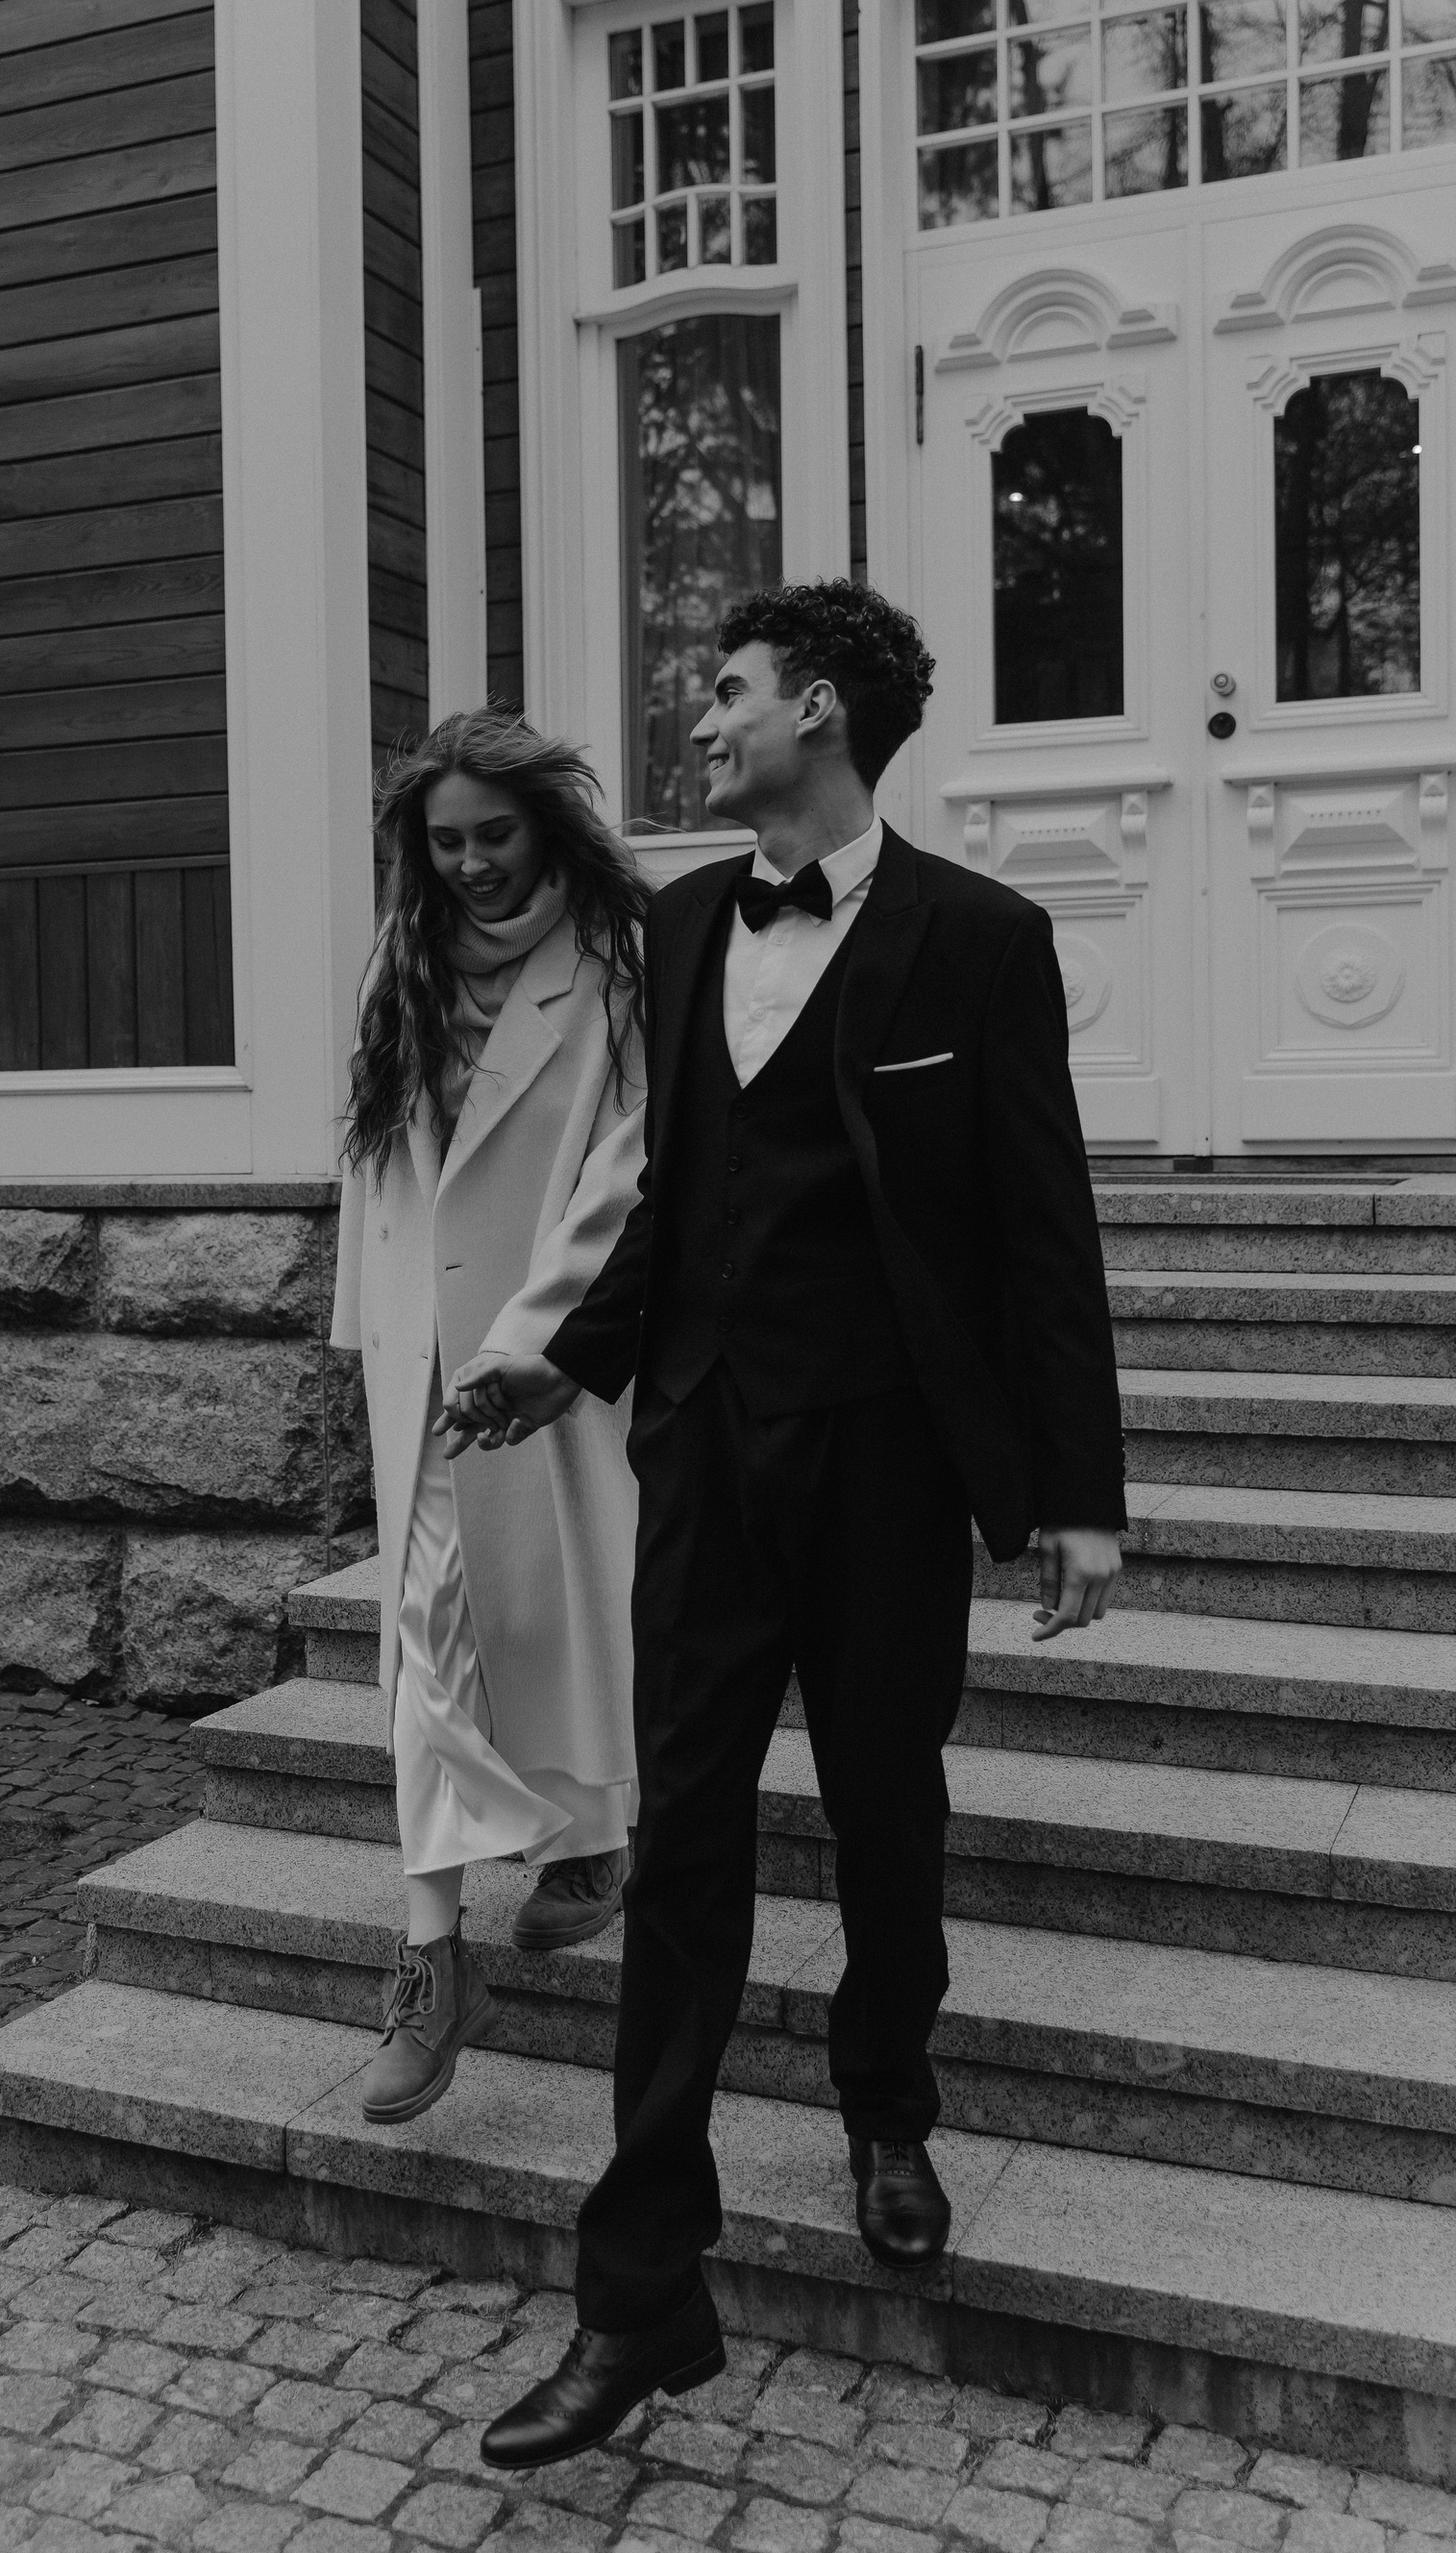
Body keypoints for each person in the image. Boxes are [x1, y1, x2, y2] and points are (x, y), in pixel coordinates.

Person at [442, 580, 1126, 2466]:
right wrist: (568, 1362)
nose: (704, 716)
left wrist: (1078, 1494)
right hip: (706, 1454)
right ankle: (639, 2294)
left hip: (893, 1460)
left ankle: (887, 2106)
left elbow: (1042, 1228)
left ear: (816, 709)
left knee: (888, 1809)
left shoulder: (982, 940)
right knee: (683, 1850)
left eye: (730, 688)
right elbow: (674, 1194)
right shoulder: (679, 925)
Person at [331, 706, 651, 2129]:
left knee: (555, 1605)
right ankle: (431, 1956)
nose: (470, 864)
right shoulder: (399, 961)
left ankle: (592, 1833)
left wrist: (543, 1340)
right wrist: (366, 1332)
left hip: (551, 1349)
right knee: (427, 1636)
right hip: (422, 1359)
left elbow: (629, 1169)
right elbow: (373, 1167)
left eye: (495, 834)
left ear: (548, 826)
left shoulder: (616, 965)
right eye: (446, 841)